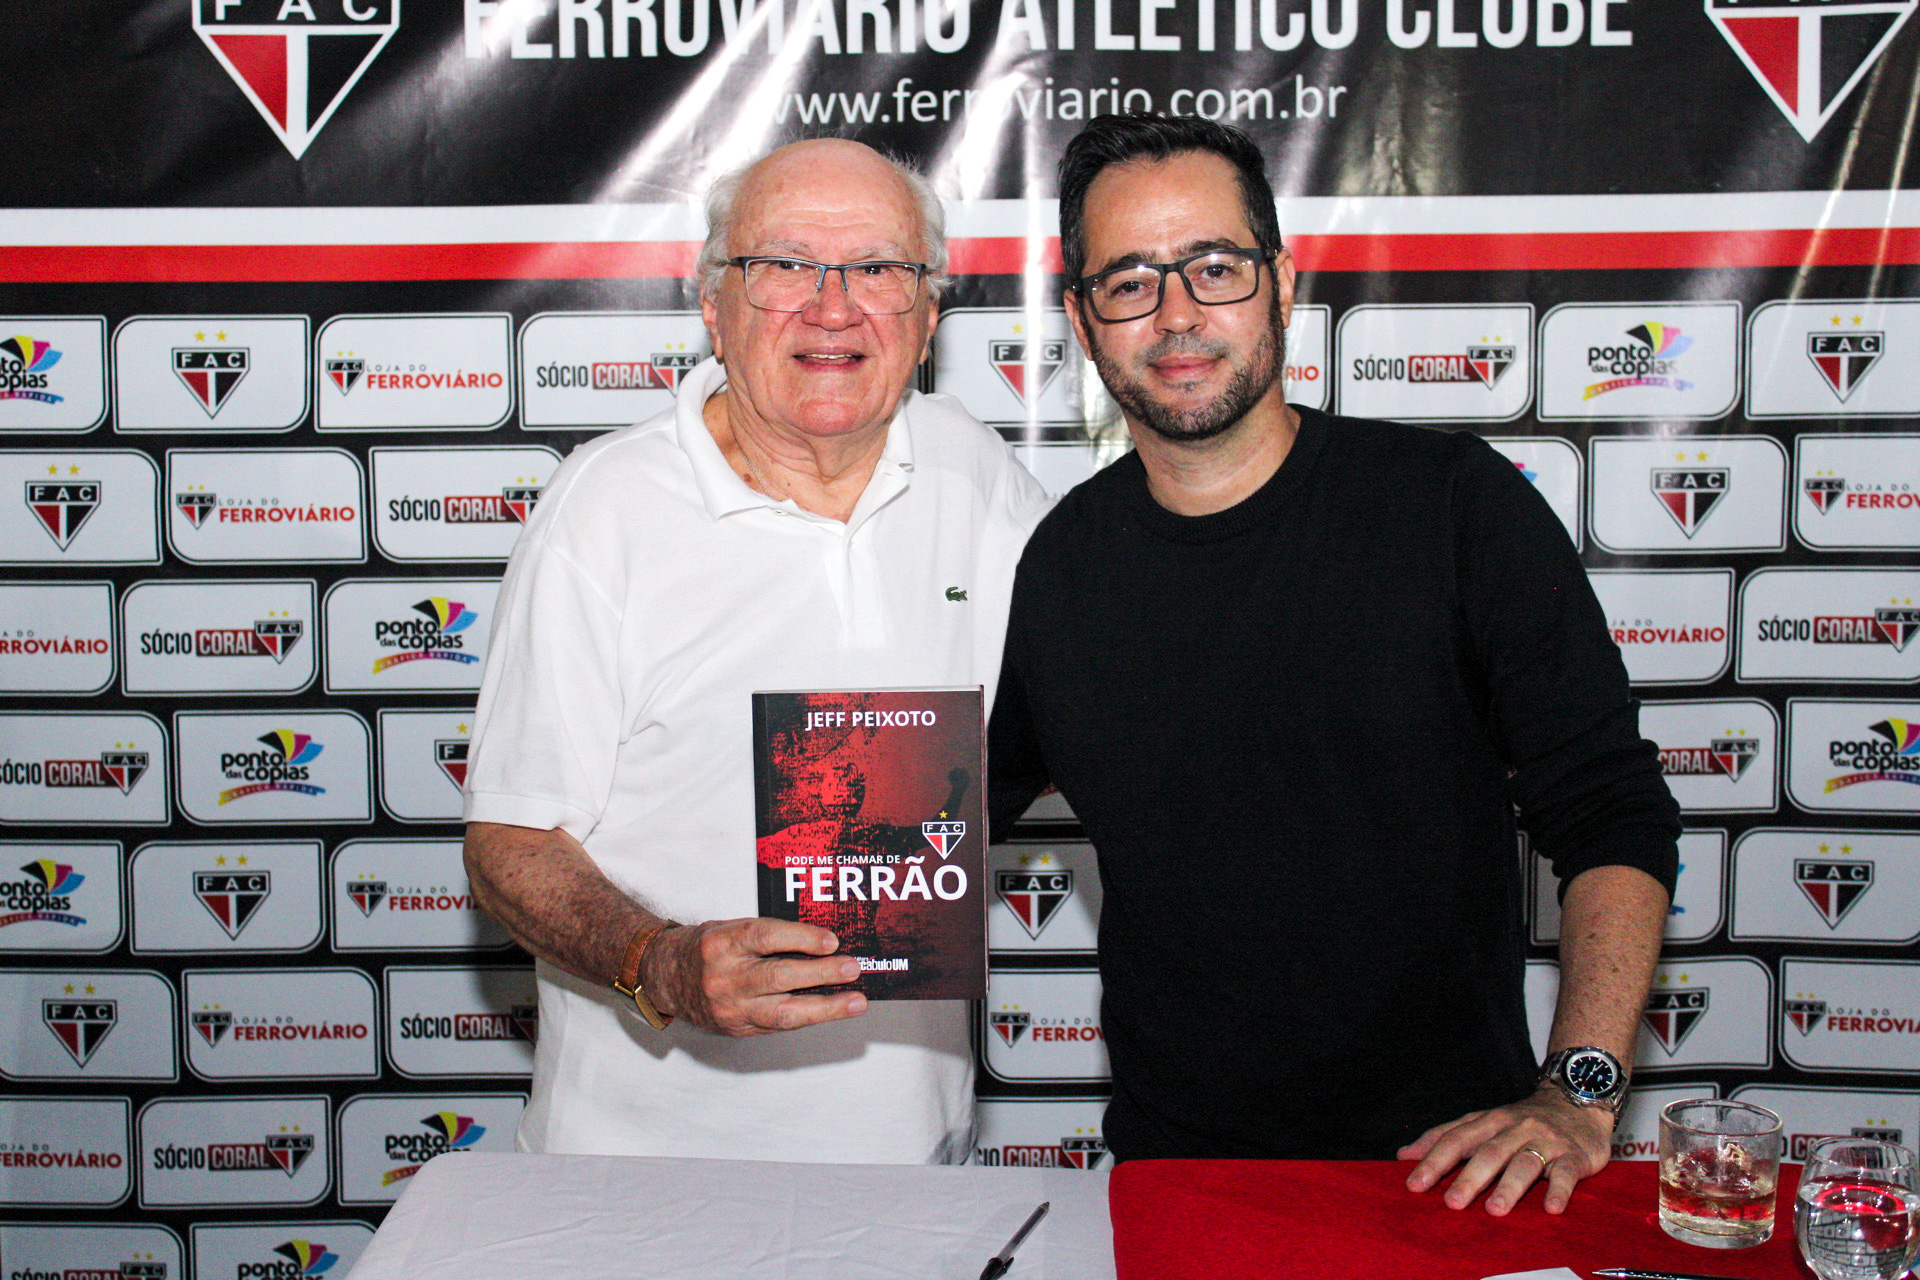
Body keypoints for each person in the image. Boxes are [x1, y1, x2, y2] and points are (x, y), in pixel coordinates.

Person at [987, 115, 1680, 1215]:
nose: (1176, 314)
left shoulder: (1453, 509)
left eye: (1214, 268)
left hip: (1456, 1174)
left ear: (1281, 282)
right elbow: (945, 807)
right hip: (1180, 1185)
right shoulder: (1060, 564)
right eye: (1129, 282)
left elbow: (1613, 814)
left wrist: (1578, 1090)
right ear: (1081, 320)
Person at [463, 138, 1051, 1161]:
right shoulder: (605, 511)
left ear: (929, 315)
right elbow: (510, 845)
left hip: (915, 1167)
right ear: (712, 303)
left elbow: (1112, 671)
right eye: (785, 265)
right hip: (643, 1174)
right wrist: (663, 961)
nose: (833, 307)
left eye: (878, 268)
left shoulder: (973, 472)